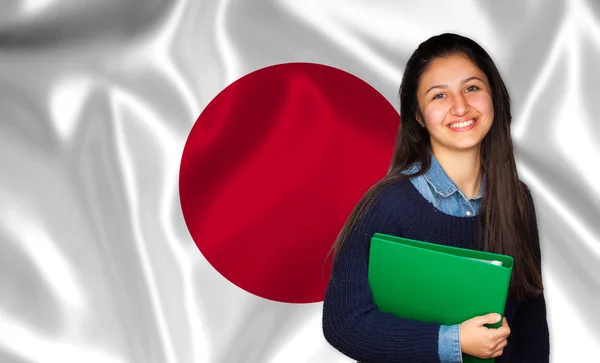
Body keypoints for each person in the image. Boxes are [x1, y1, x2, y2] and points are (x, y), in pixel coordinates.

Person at [321, 33, 550, 363]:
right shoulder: (388, 204)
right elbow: (344, 323)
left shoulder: (517, 200)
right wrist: (453, 341)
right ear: (418, 115)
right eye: (439, 95)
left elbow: (530, 323)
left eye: (472, 88)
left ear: (494, 98)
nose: (460, 106)